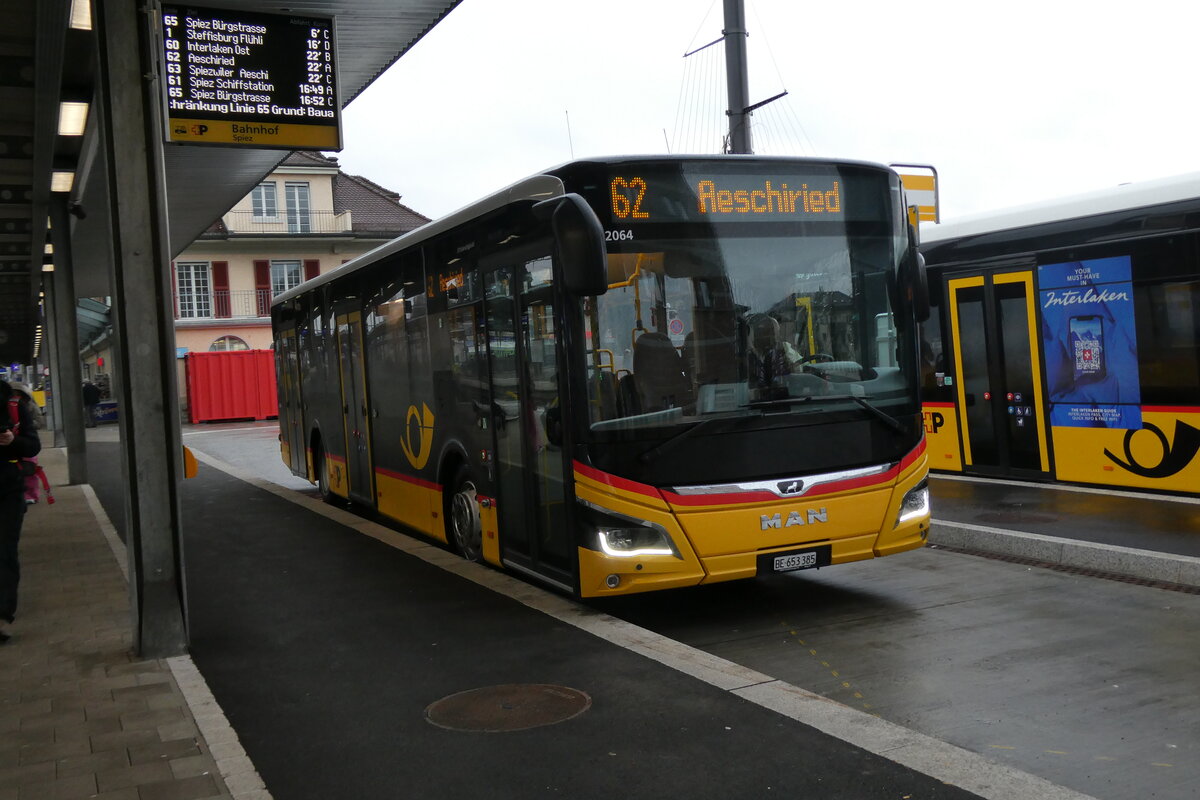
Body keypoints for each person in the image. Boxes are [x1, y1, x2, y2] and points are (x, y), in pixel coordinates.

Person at [0, 379, 42, 643]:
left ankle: (2, 615)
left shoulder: (12, 404)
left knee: (4, 553)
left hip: (7, 491)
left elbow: (33, 445)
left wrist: (13, 440)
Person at [8, 384, 41, 503]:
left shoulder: (29, 406)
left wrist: (26, 425)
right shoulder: (7, 407)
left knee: (29, 470)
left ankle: (31, 495)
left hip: (26, 441)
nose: (16, 397)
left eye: (18, 394)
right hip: (13, 445)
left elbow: (38, 421)